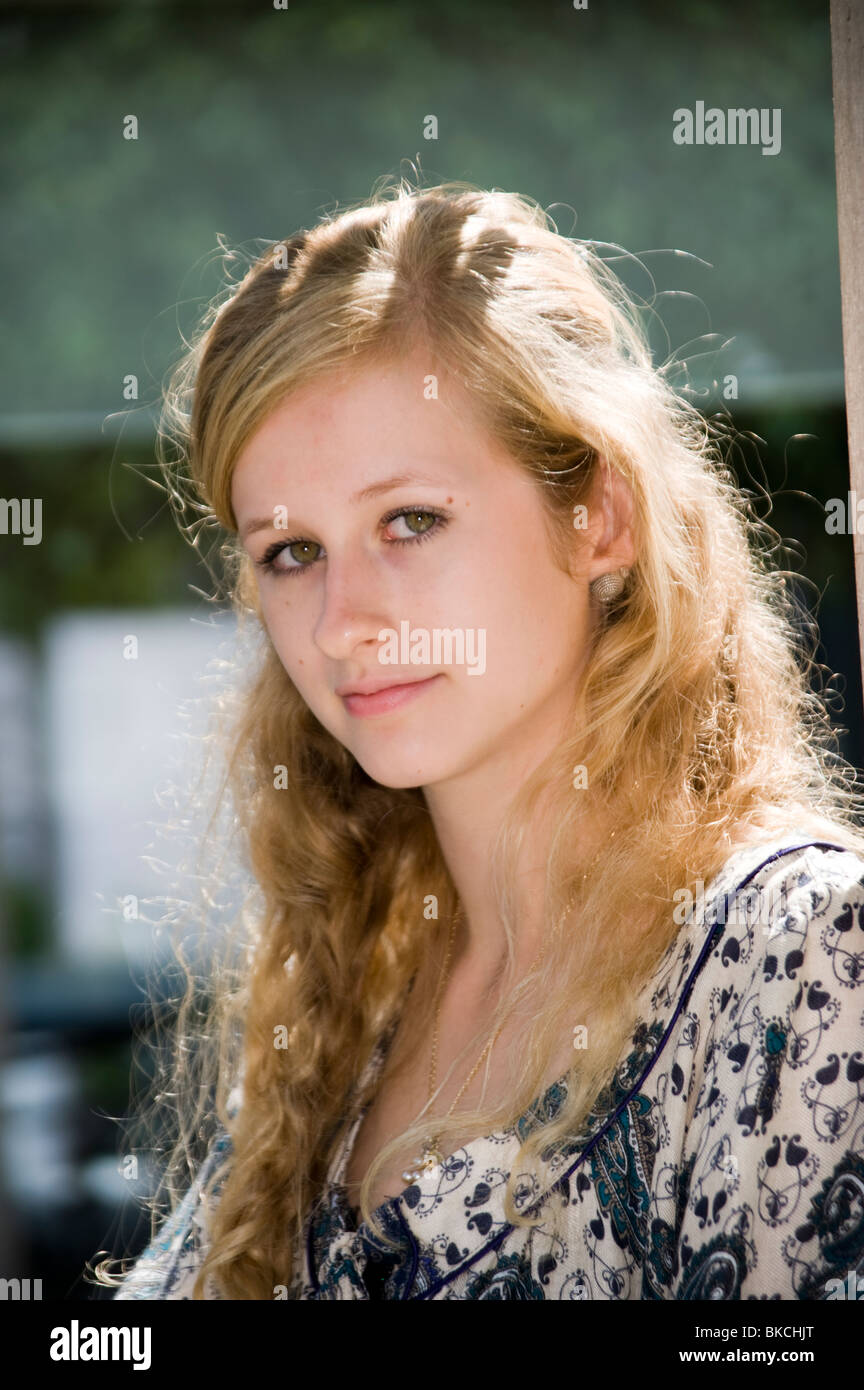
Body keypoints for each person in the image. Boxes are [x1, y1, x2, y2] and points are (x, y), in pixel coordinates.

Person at [95, 177, 864, 1300]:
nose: (342, 620)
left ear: (599, 516)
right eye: (291, 552)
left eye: (410, 521)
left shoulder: (801, 961)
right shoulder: (346, 1006)